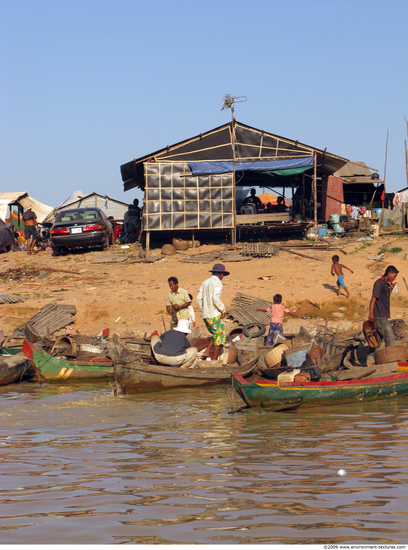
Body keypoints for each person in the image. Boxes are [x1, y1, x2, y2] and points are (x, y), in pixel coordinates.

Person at [196, 263, 229, 360]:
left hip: (206, 315)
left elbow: (198, 299)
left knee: (215, 334)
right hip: (214, 314)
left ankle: (207, 351)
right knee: (218, 338)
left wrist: (204, 310)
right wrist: (223, 309)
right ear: (221, 274)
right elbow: (215, 298)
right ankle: (214, 361)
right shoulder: (218, 282)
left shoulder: (205, 282)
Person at [367, 265, 399, 364]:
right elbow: (373, 299)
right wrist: (371, 314)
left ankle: (370, 361)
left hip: (383, 314)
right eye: (394, 276)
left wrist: (391, 289)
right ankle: (390, 360)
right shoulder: (379, 283)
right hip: (379, 315)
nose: (394, 278)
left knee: (377, 341)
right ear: (389, 274)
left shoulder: (386, 284)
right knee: (390, 337)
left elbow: (385, 298)